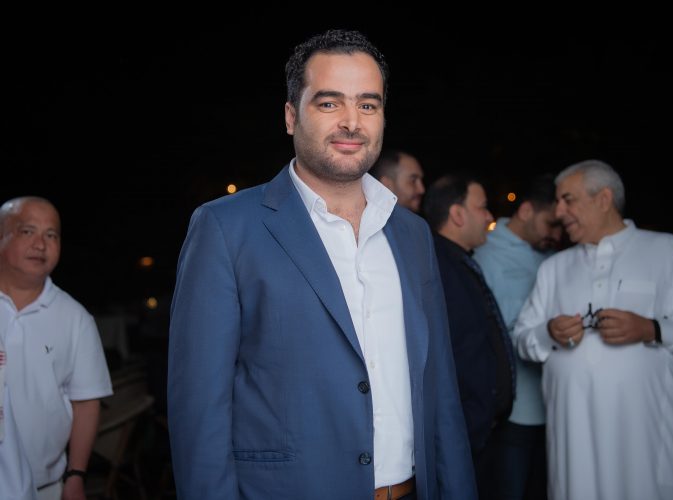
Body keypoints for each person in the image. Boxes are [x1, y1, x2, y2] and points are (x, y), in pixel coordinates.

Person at [167, 29, 477, 500]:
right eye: (330, 103)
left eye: (368, 105)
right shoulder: (225, 228)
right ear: (291, 116)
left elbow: (441, 394)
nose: (352, 122)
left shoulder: (412, 234)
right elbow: (199, 411)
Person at [513, 159, 673, 500]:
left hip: (647, 436)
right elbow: (523, 339)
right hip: (573, 437)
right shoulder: (554, 268)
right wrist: (549, 332)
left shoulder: (668, 251)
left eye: (568, 200)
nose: (558, 212)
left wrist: (650, 328)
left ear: (603, 199)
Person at [0, 196, 113, 500]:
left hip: (45, 486)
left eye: (51, 235)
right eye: (28, 231)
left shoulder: (75, 318)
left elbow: (86, 401)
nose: (40, 244)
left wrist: (76, 475)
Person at [422, 172, 517, 499]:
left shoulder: (458, 260)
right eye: (482, 207)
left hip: (478, 428)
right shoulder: (435, 266)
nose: (490, 216)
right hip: (463, 432)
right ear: (457, 214)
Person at [473, 173, 561, 500]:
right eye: (551, 224)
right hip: (514, 410)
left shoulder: (554, 258)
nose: (557, 234)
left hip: (555, 405)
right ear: (526, 211)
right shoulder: (485, 253)